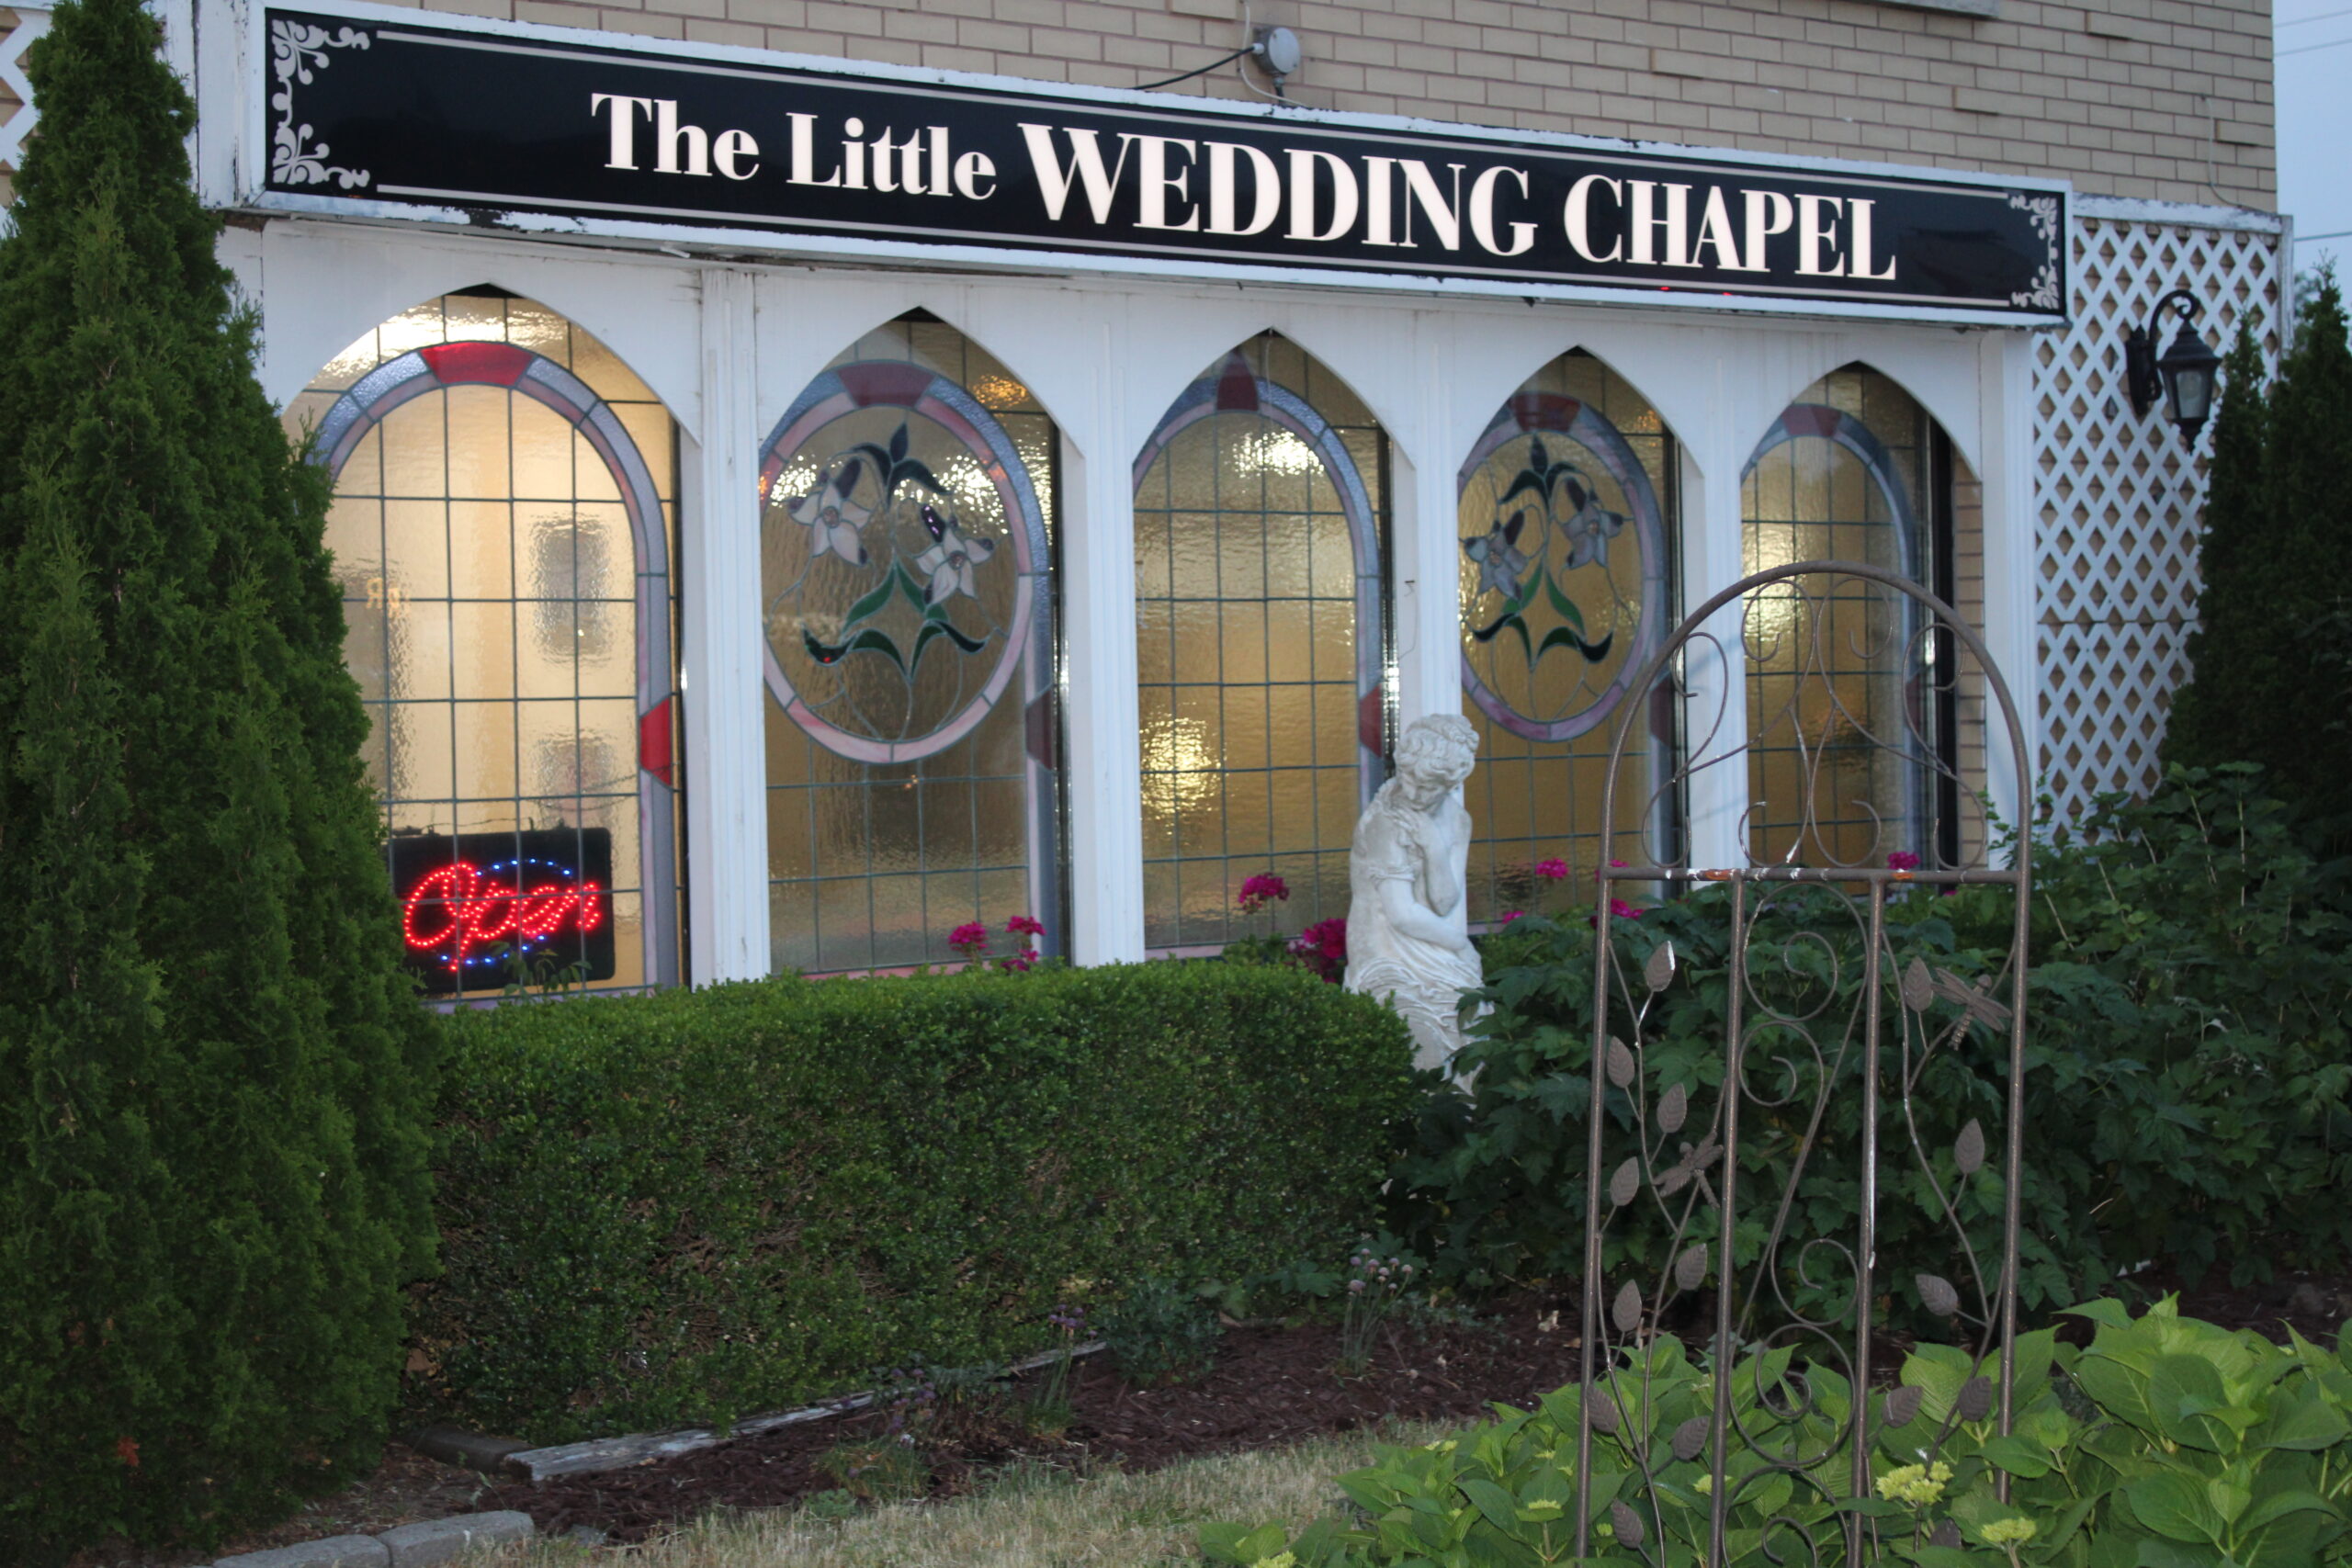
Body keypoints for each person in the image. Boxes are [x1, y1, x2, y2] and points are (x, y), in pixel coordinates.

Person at [1345, 713, 1484, 1073]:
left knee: (1471, 1015)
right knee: (1418, 1029)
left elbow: (1443, 903)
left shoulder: (1457, 819)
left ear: (1452, 783)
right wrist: (1460, 944)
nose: (1414, 794)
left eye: (1430, 787)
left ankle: (1459, 1120)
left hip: (1427, 935)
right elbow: (1402, 913)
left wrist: (1434, 848)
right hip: (1385, 945)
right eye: (1408, 778)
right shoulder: (1385, 820)